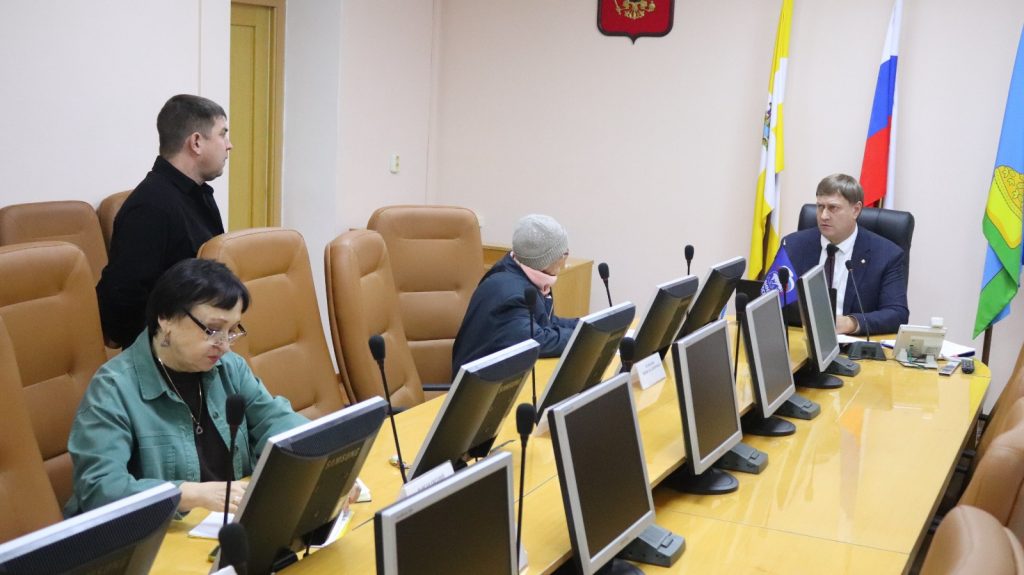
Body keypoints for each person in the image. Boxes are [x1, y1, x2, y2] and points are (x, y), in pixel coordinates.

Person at [67, 258, 307, 515]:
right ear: (166, 318)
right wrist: (188, 494)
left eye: (231, 331)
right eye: (212, 330)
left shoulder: (230, 368)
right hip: (162, 531)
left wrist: (316, 451)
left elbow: (276, 420)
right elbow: (99, 488)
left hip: (226, 521)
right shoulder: (113, 388)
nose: (225, 346)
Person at [97, 94, 231, 348]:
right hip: (165, 354)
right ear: (196, 142)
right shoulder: (150, 206)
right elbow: (122, 303)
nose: (229, 145)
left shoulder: (199, 194)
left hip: (200, 342)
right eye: (223, 134)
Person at [782, 173, 909, 336]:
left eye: (833, 208)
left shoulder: (887, 255)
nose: (823, 216)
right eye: (820, 207)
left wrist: (851, 323)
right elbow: (769, 298)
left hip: (852, 344)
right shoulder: (793, 245)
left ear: (855, 210)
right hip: (801, 339)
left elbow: (897, 314)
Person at [452, 214, 579, 374]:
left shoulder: (522, 273)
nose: (565, 261)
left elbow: (543, 322)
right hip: (479, 385)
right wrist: (584, 336)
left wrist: (583, 325)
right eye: (563, 254)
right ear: (545, 260)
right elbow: (537, 340)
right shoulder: (510, 294)